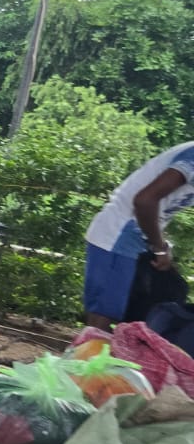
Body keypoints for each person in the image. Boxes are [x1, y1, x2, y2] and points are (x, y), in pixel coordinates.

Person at [83, 141, 194, 329]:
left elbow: (160, 207)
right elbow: (144, 201)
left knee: (130, 322)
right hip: (117, 238)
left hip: (137, 241)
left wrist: (160, 244)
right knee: (101, 323)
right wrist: (159, 248)